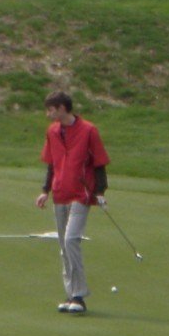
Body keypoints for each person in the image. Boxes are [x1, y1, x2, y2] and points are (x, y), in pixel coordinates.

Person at [34, 91, 110, 314]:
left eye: (51, 109)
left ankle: (79, 296)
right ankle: (70, 295)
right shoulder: (53, 132)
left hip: (82, 193)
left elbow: (99, 163)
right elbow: (52, 164)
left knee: (70, 240)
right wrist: (44, 191)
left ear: (62, 108)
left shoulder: (88, 130)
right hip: (60, 193)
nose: (48, 114)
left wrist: (100, 191)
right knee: (63, 247)